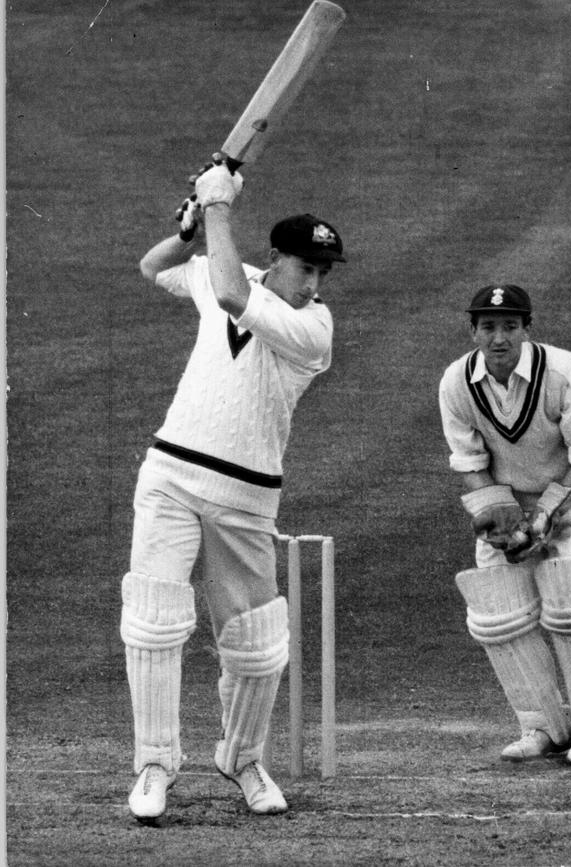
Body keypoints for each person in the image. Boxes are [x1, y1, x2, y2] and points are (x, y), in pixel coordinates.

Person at [120, 159, 346, 822]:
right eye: (304, 267)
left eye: (321, 272)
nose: (312, 283)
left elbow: (228, 296)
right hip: (170, 474)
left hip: (247, 496)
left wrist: (218, 206)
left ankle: (243, 757)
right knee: (154, 620)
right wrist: (190, 228)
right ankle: (154, 764)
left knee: (256, 643)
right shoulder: (231, 268)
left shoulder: (315, 330)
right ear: (276, 258)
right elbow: (155, 268)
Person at [438, 284, 571, 765]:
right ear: (473, 330)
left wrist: (544, 513)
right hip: (507, 501)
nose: (499, 338)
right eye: (488, 327)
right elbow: (468, 458)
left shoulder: (563, 371)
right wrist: (501, 517)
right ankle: (540, 725)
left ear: (526, 328)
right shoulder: (456, 381)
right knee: (497, 615)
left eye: (510, 326)